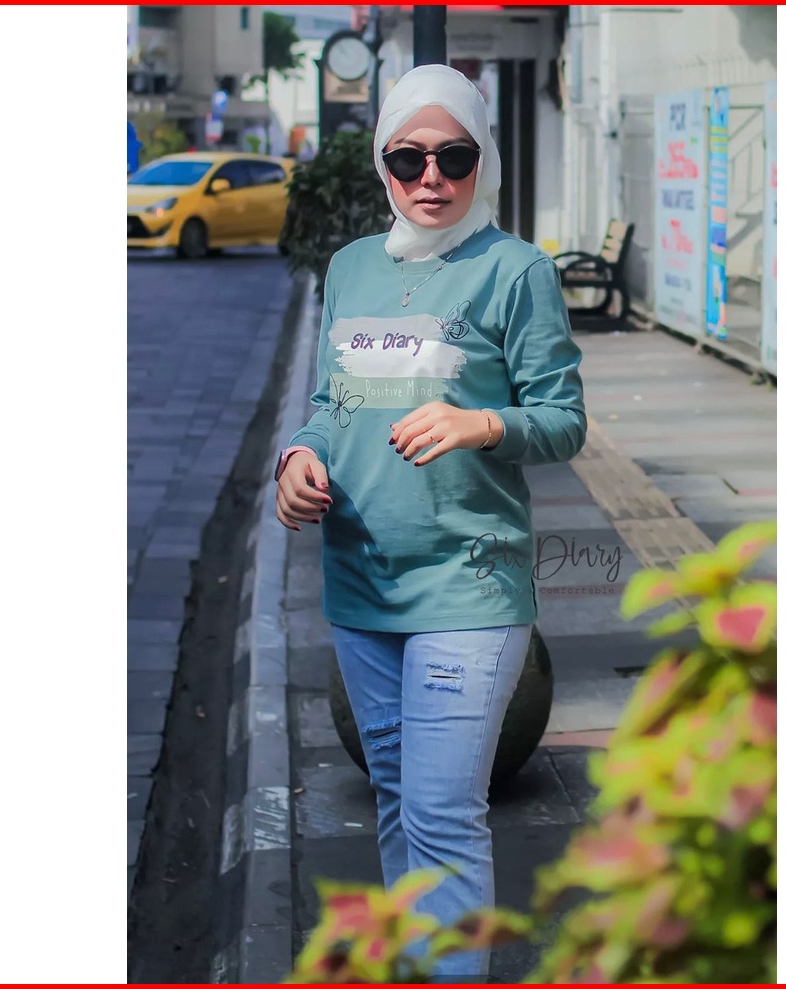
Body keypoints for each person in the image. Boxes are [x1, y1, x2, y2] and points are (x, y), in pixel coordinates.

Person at [274, 64, 586, 980]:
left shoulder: (515, 271)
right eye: (407, 158)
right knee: (398, 801)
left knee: (442, 812)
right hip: (360, 579)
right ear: (383, 163)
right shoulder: (351, 268)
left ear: (482, 158)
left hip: (469, 582)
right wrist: (296, 458)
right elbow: (331, 402)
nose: (431, 177)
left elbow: (563, 419)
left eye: (454, 156)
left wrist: (482, 423)